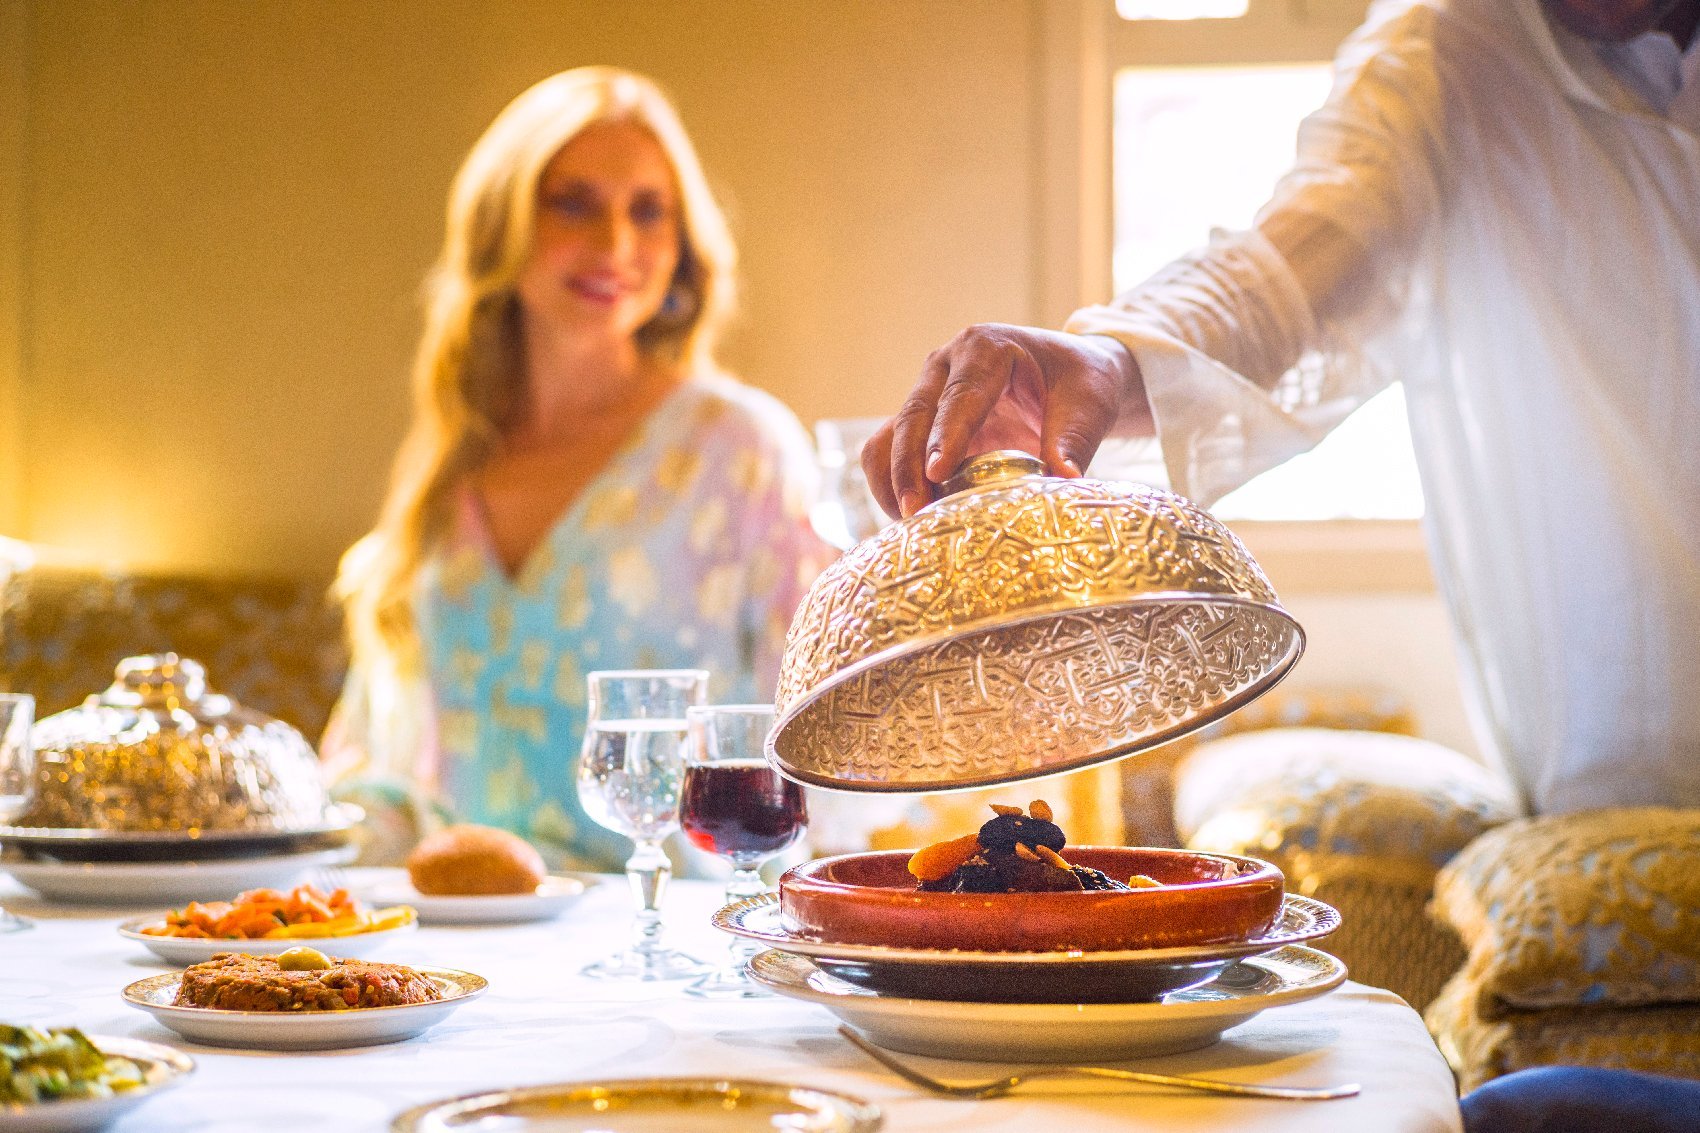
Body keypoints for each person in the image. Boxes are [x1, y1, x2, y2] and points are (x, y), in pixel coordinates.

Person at [866, 1, 1700, 1125]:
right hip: (1623, 783)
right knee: (1522, 1112)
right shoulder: (1453, 51)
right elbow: (1278, 274)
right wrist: (1114, 355)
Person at [324, 67, 830, 871]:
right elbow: (376, 769)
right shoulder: (454, 464)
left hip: (664, 928)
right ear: (501, 225)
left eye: (649, 211)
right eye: (573, 203)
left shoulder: (737, 451)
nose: (616, 245)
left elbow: (820, 747)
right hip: (457, 927)